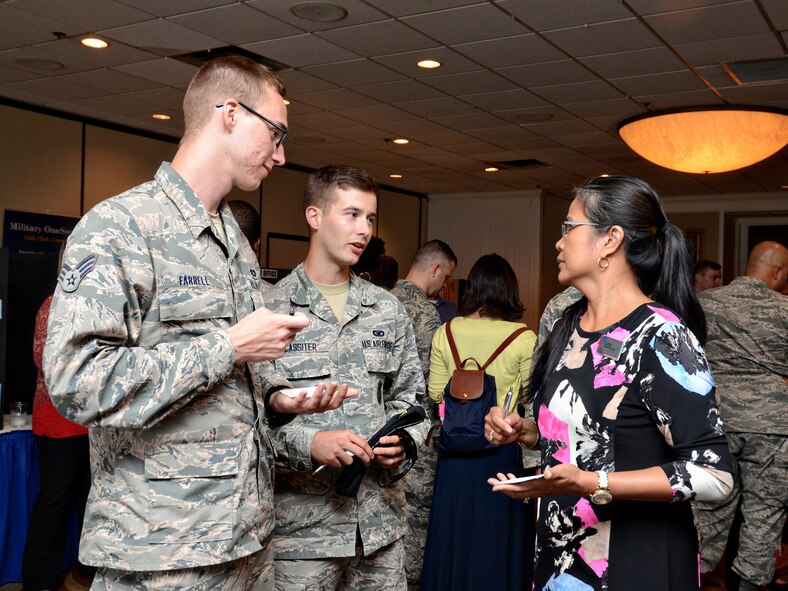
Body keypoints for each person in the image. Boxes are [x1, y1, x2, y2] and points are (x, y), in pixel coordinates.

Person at [43, 56, 353, 591]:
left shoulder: (233, 239)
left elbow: (231, 381)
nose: (282, 156)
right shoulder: (119, 227)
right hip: (162, 552)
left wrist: (278, 399)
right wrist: (227, 346)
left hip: (249, 541)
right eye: (275, 133)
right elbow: (76, 382)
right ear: (229, 113)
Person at [486, 175, 733, 591]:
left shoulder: (661, 335)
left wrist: (593, 482)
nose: (558, 243)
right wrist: (524, 432)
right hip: (562, 552)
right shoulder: (568, 327)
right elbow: (588, 432)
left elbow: (715, 476)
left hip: (635, 559)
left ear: (610, 240)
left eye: (569, 228)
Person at [265, 165, 428, 591]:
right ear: (314, 216)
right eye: (351, 215)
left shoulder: (386, 309)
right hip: (302, 532)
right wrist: (310, 443)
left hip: (378, 528)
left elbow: (413, 400)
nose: (364, 230)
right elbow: (247, 419)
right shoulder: (270, 309)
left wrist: (404, 441)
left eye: (370, 218)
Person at [420, 253, 537, 591]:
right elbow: (530, 399)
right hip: (500, 452)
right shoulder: (522, 337)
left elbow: (437, 394)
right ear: (509, 291)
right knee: (494, 540)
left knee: (452, 539)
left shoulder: (447, 331)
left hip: (454, 453)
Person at [694, 241, 788, 591]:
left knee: (705, 510)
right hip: (773, 427)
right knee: (764, 515)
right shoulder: (785, 308)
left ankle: (688, 574)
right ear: (777, 272)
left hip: (713, 420)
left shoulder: (702, 304)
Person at [22, 239, 95, 591]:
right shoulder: (52, 306)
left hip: (91, 425)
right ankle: (38, 580)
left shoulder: (96, 305)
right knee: (54, 500)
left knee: (87, 501)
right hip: (57, 422)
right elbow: (44, 362)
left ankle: (82, 574)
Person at [390, 239, 457, 589]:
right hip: (417, 431)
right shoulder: (425, 312)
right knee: (415, 517)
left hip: (384, 428)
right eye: (445, 277)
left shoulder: (383, 300)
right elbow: (435, 381)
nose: (443, 286)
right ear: (436, 269)